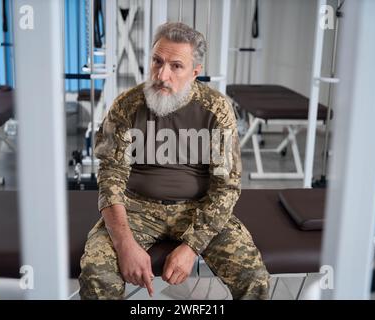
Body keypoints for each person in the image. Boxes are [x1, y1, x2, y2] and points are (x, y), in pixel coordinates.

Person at [79, 22, 269, 300]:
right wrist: (125, 245)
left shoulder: (216, 109)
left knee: (253, 277)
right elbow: (110, 178)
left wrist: (191, 247)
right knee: (97, 273)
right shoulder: (126, 106)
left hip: (198, 209)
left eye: (175, 66)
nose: (161, 74)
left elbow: (226, 188)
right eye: (157, 61)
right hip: (135, 208)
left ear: (195, 72)